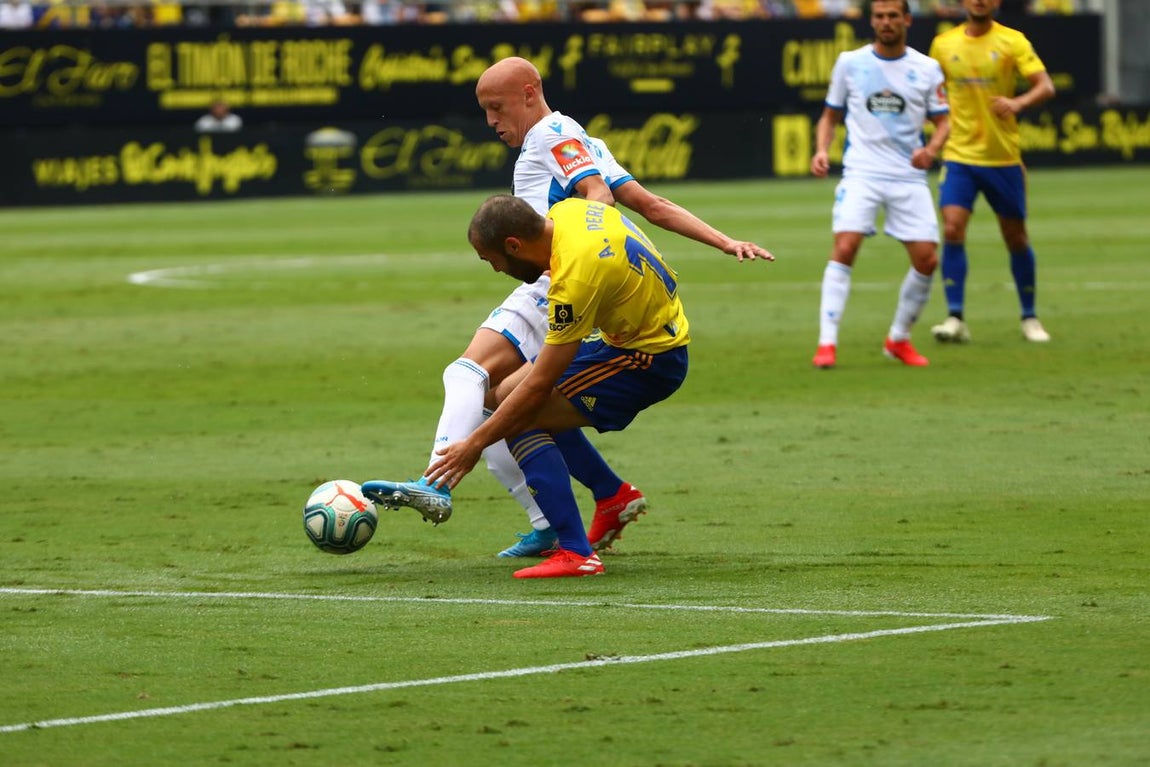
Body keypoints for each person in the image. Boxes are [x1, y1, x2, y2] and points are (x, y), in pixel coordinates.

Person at [362, 56, 771, 559]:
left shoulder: (552, 133)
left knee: (470, 377)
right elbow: (652, 205)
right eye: (485, 110)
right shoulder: (577, 139)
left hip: (557, 282)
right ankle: (587, 504)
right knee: (500, 398)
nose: (491, 121)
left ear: (530, 93)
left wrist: (587, 251)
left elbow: (598, 195)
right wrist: (724, 240)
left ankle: (438, 484)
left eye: (497, 107)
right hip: (566, 275)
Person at [425, 194, 691, 578]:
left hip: (646, 360)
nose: (498, 270)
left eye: (493, 260)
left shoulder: (576, 277)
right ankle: (612, 495)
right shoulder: (569, 212)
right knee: (500, 393)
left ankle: (575, 552)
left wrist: (474, 445)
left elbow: (537, 387)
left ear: (514, 245)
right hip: (631, 334)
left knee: (522, 415)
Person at [809, 0, 950, 369]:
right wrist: (821, 150)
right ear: (872, 21)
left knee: (927, 259)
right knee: (846, 245)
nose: (885, 22)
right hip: (862, 172)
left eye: (892, 16)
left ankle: (898, 339)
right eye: (879, 16)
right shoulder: (850, 63)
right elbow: (829, 116)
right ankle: (827, 344)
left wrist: (932, 149)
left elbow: (944, 122)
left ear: (906, 20)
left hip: (908, 174)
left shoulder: (927, 68)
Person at [927, 0, 1056, 344]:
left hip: (1002, 157)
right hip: (960, 156)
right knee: (952, 228)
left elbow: (1045, 86)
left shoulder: (1013, 41)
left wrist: (1017, 103)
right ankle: (955, 316)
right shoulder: (943, 44)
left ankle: (1029, 317)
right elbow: (930, 93)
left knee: (1015, 237)